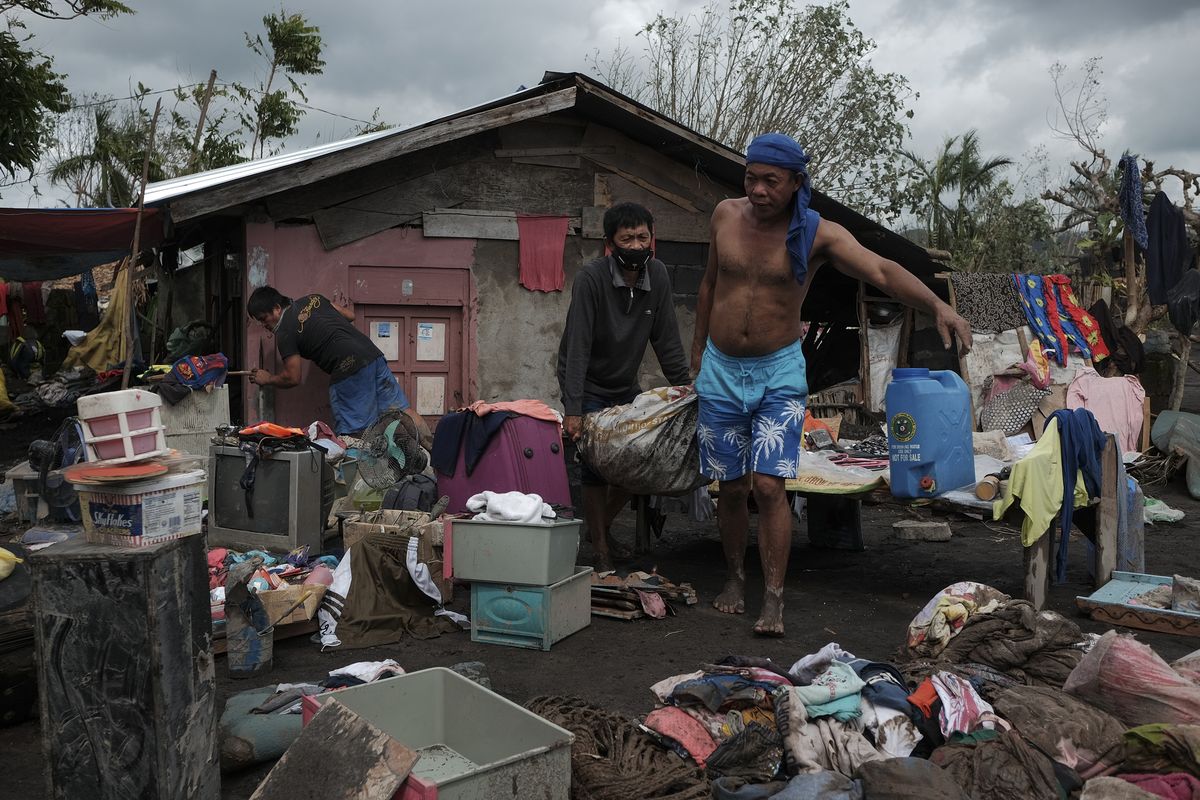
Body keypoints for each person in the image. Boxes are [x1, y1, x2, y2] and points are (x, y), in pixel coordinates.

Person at [691, 133, 973, 637]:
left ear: (797, 182)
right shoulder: (724, 216)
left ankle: (773, 597)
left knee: (768, 485)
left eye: (770, 181)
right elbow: (711, 284)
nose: (757, 190)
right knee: (730, 489)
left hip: (778, 373)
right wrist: (696, 359)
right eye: (751, 178)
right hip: (719, 371)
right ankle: (735, 578)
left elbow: (883, 270)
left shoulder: (817, 233)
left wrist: (938, 305)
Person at [558, 202, 691, 571]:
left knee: (640, 458)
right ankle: (600, 546)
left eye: (642, 237)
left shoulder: (659, 276)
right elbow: (578, 345)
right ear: (610, 244)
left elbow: (667, 340)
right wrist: (574, 410)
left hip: (623, 382)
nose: (635, 244)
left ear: (653, 239)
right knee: (594, 466)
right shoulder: (591, 279)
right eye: (627, 238)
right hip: (585, 381)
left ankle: (599, 529)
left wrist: (688, 390)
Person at [246, 286, 429, 441]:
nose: (264, 325)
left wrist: (268, 378)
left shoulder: (285, 332)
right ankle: (437, 455)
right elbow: (349, 315)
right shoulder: (313, 299)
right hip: (372, 356)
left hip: (348, 370)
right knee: (403, 412)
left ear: (277, 308)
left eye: (263, 319)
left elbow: (293, 377)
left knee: (353, 434)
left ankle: (362, 480)